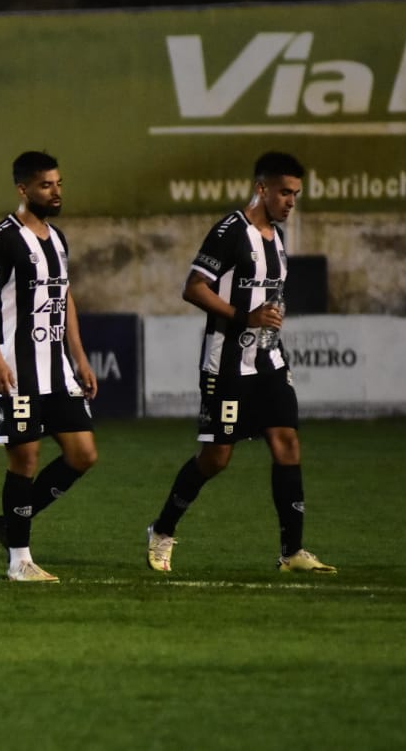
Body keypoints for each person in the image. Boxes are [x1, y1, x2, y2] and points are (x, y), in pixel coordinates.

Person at [145, 151, 336, 575]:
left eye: (296, 194)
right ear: (262, 188)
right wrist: (244, 317)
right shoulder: (231, 231)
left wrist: (268, 320)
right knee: (216, 458)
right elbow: (193, 288)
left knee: (287, 442)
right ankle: (162, 529)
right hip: (227, 363)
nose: (291, 201)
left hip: (268, 359)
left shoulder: (278, 239)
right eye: (284, 192)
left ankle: (292, 552)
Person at [0, 150, 99, 583]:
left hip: (58, 369)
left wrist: (80, 356)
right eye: (47, 185)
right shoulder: (3, 238)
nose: (56, 192)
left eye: (59, 184)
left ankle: (11, 525)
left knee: (83, 455)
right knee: (25, 461)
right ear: (23, 189)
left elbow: (64, 298)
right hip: (19, 368)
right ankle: (19, 560)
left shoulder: (57, 238)